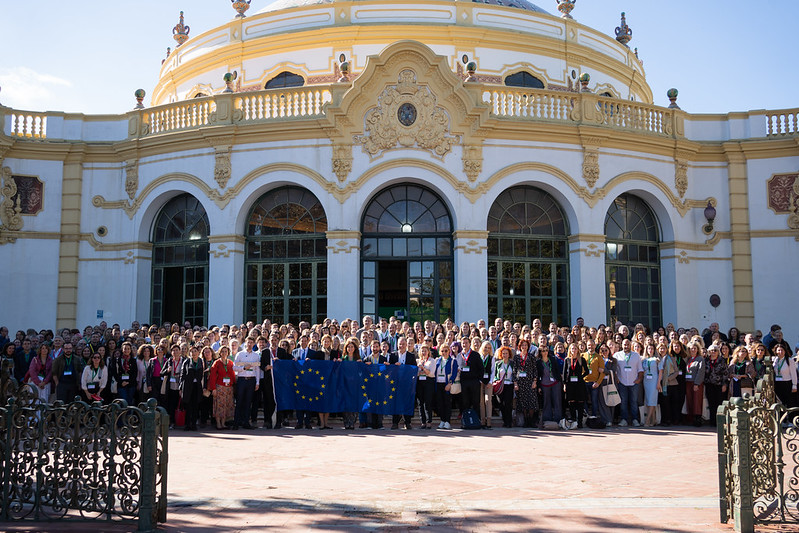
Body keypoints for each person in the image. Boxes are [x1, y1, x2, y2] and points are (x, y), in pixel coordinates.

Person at [613, 339, 643, 427]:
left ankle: (635, 419)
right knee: (623, 402)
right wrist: (616, 378)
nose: (626, 346)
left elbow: (640, 369)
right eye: (624, 344)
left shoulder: (636, 355)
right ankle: (624, 419)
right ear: (622, 345)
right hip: (622, 382)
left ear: (631, 345)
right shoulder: (617, 355)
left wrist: (639, 379)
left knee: (634, 402)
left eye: (628, 344)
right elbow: (614, 370)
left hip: (634, 382)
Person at [233, 337, 260, 430]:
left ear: (254, 344)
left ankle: (246, 422)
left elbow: (257, 370)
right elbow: (234, 367)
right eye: (248, 342)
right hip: (242, 380)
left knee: (248, 402)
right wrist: (244, 368)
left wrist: (257, 382)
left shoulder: (256, 356)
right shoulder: (240, 354)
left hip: (251, 380)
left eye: (252, 343)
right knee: (239, 401)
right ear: (245, 343)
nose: (249, 344)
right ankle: (236, 423)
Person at [390, 337, 417, 430]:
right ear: (397, 345)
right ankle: (395, 423)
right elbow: (389, 369)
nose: (401, 346)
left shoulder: (411, 355)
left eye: (403, 344)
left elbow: (414, 369)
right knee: (395, 403)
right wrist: (394, 366)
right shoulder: (393, 355)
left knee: (407, 402)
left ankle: (407, 422)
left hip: (407, 383)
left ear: (406, 345)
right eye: (400, 344)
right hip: (396, 383)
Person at [208, 345, 236, 430]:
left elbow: (233, 375)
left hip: (228, 387)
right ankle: (218, 423)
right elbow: (212, 376)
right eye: (222, 351)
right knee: (219, 406)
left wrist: (234, 385)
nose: (224, 353)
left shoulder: (230, 363)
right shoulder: (216, 363)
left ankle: (223, 423)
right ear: (219, 353)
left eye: (226, 351)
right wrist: (213, 389)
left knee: (226, 405)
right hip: (219, 387)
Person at [513, 338, 539, 428]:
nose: (524, 347)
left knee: (531, 402)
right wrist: (515, 383)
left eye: (526, 345)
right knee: (523, 402)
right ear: (520, 347)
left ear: (528, 346)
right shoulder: (516, 357)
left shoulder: (531, 356)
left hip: (530, 381)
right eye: (522, 345)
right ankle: (525, 420)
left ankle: (531, 421)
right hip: (521, 382)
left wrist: (535, 381)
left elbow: (535, 369)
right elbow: (514, 370)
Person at [179, 346, 205, 431]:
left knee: (195, 406)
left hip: (197, 386)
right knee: (188, 407)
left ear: (198, 352)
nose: (193, 353)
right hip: (188, 387)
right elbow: (182, 375)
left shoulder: (200, 361)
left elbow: (202, 374)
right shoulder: (186, 361)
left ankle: (194, 424)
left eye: (195, 351)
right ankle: (187, 425)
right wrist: (180, 388)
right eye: (192, 352)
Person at [563, 343, 588, 428]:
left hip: (579, 384)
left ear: (578, 350)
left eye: (575, 349)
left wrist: (581, 377)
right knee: (571, 403)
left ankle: (580, 422)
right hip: (570, 384)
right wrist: (564, 384)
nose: (574, 350)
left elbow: (587, 371)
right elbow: (564, 373)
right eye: (572, 349)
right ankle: (574, 420)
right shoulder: (567, 360)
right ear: (570, 350)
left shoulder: (581, 359)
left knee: (580, 403)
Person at [703, 344, 728, 426]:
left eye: (715, 350)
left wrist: (724, 384)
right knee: (711, 403)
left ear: (718, 352)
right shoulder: (706, 360)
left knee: (719, 403)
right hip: (709, 384)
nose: (713, 352)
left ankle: (719, 421)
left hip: (719, 385)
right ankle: (712, 421)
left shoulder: (722, 360)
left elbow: (725, 373)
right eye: (711, 350)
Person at [434, 343, 458, 430]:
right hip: (438, 384)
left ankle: (447, 421)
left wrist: (450, 383)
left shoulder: (453, 361)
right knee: (440, 403)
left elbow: (454, 373)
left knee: (447, 403)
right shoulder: (437, 360)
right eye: (442, 351)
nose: (444, 352)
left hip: (446, 384)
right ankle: (442, 420)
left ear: (449, 351)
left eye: (446, 351)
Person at [537, 342, 562, 424]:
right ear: (540, 352)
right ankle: (547, 419)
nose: (545, 352)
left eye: (546, 350)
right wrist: (539, 386)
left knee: (557, 401)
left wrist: (559, 381)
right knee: (546, 402)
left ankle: (558, 419)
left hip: (555, 383)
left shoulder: (553, 359)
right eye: (543, 351)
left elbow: (557, 371)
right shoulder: (538, 362)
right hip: (544, 384)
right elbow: (537, 375)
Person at [684, 342, 706, 426]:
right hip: (688, 382)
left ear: (697, 349)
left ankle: (697, 419)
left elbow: (700, 372)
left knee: (697, 401)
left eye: (694, 348)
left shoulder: (700, 359)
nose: (693, 350)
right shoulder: (688, 359)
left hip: (696, 383)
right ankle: (690, 418)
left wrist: (697, 383)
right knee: (690, 400)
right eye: (691, 348)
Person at [493, 345, 515, 428]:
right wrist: (496, 380)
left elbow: (515, 373)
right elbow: (495, 374)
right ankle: (505, 420)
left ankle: (509, 421)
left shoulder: (512, 363)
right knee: (501, 404)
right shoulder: (498, 364)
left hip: (509, 385)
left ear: (509, 354)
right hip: (500, 386)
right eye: (503, 353)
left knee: (508, 404)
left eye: (506, 353)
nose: (505, 355)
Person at [416, 344, 436, 429]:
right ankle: (423, 422)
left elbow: (431, 373)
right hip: (419, 382)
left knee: (427, 402)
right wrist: (420, 372)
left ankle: (429, 421)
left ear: (428, 352)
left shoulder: (432, 360)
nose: (423, 352)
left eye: (425, 351)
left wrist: (423, 368)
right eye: (422, 351)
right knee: (420, 402)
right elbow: (416, 373)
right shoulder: (418, 361)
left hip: (428, 382)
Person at [641, 343, 660, 427]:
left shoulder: (657, 359)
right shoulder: (644, 360)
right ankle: (653, 420)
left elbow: (660, 372)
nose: (650, 350)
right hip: (646, 381)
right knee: (648, 400)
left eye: (652, 348)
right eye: (649, 348)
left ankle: (647, 420)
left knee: (652, 400)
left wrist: (659, 383)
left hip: (654, 381)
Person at [478, 340, 494, 429]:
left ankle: (489, 421)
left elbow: (493, 371)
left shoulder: (492, 358)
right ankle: (482, 421)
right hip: (480, 382)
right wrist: (479, 380)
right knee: (481, 402)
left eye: (489, 348)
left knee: (488, 400)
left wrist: (490, 382)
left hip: (488, 382)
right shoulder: (479, 357)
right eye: (485, 347)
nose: (487, 349)